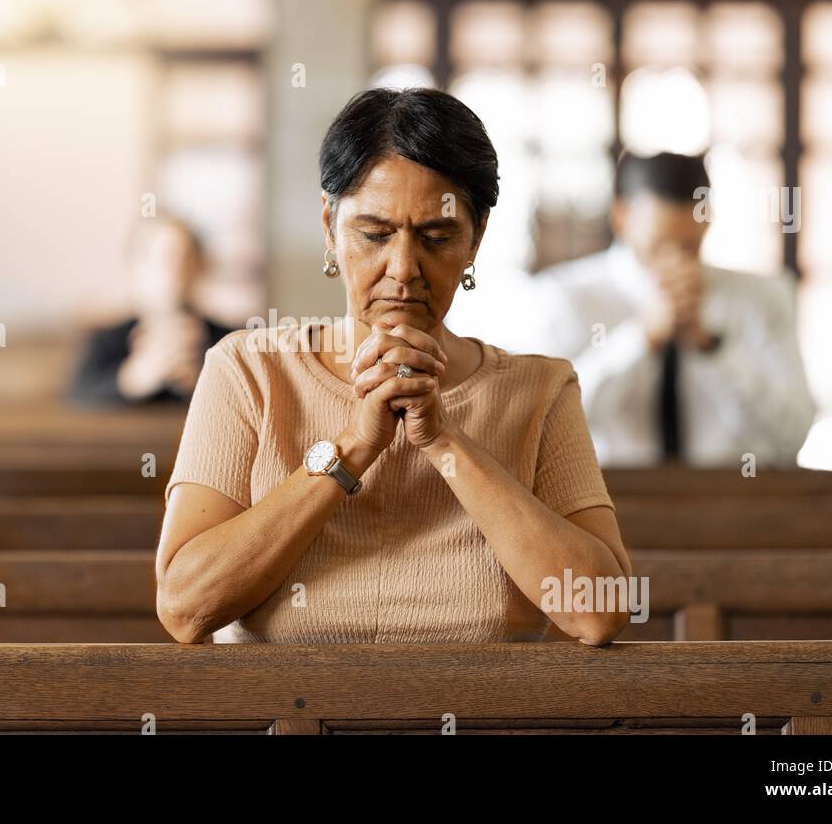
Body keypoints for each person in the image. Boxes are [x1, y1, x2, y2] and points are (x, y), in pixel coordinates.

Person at [157, 88, 631, 646]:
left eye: (437, 237)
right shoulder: (249, 369)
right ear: (330, 227)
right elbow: (186, 609)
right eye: (375, 235)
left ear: (475, 241)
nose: (403, 269)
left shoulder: (540, 390)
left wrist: (445, 442)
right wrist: (355, 445)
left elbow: (598, 613)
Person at [529, 151, 816, 468]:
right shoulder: (565, 297)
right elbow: (544, 424)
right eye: (658, 244)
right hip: (603, 506)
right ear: (621, 217)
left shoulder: (761, 297)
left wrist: (713, 347)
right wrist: (642, 339)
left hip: (734, 502)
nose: (675, 260)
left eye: (688, 245)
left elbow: (793, 435)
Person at [71, 217, 232, 405]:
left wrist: (202, 384)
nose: (174, 271)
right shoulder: (105, 341)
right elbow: (77, 394)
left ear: (199, 267)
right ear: (135, 268)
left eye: (185, 258)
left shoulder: (228, 342)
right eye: (163, 258)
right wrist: (135, 378)